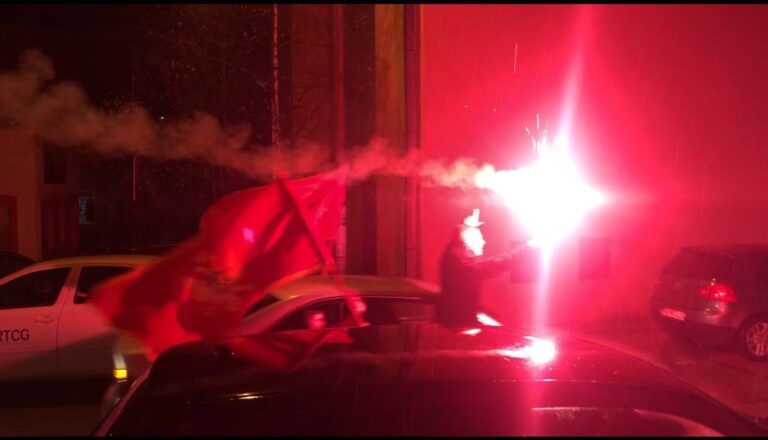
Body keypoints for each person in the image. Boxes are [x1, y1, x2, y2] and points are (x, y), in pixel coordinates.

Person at [436, 209, 523, 328]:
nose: (484, 242)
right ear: (468, 239)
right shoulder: (461, 261)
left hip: (458, 324)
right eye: (480, 238)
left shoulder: (456, 255)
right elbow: (492, 265)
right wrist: (525, 251)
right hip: (457, 327)